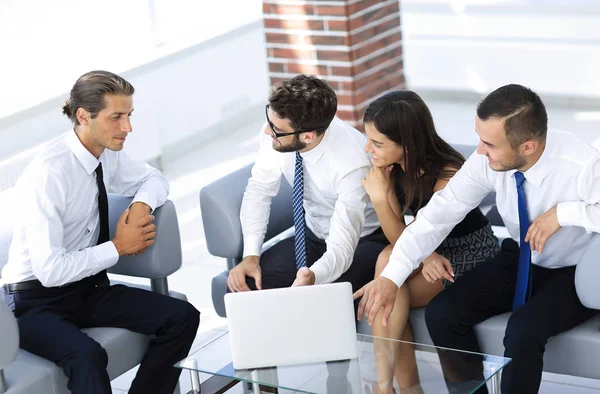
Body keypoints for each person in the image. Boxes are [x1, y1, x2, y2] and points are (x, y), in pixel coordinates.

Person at [354, 84, 599, 393]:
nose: (479, 150)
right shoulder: (486, 161)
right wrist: (390, 279)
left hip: (575, 271)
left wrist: (564, 214)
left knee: (522, 331)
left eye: (489, 144)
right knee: (443, 314)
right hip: (521, 256)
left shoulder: (581, 166)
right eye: (479, 138)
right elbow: (436, 218)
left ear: (528, 146)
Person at [1, 70, 200, 394]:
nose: (128, 128)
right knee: (88, 355)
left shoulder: (105, 155)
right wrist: (118, 247)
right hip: (34, 300)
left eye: (129, 116)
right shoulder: (50, 175)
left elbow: (154, 179)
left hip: (88, 287)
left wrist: (140, 207)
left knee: (182, 317)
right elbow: (50, 271)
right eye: (116, 117)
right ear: (83, 116)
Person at [362, 91, 499, 394]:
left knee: (391, 288)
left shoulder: (449, 171)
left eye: (377, 143)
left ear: (406, 144)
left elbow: (427, 230)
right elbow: (400, 236)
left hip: (467, 249)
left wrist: (379, 198)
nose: (367, 148)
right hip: (424, 249)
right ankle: (392, 387)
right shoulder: (392, 167)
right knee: (388, 264)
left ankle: (394, 388)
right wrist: (422, 255)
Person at [227, 74, 387, 293]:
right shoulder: (277, 128)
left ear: (308, 137)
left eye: (276, 130)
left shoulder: (351, 164)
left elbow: (342, 248)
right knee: (245, 288)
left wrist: (312, 277)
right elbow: (260, 190)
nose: (267, 132)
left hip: (363, 240)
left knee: (319, 299)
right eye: (269, 122)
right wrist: (251, 257)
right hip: (311, 234)